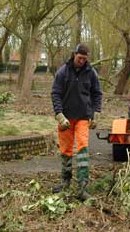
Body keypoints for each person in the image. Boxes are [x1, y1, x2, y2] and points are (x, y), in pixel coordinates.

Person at [51, 43, 102, 201]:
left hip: (82, 117)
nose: (82, 61)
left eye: (85, 59)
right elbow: (56, 93)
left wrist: (96, 111)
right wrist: (59, 113)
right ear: (74, 54)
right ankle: (65, 181)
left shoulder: (91, 73)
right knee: (66, 149)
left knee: (82, 148)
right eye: (80, 58)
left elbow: (97, 93)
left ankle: (82, 186)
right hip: (65, 117)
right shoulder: (63, 72)